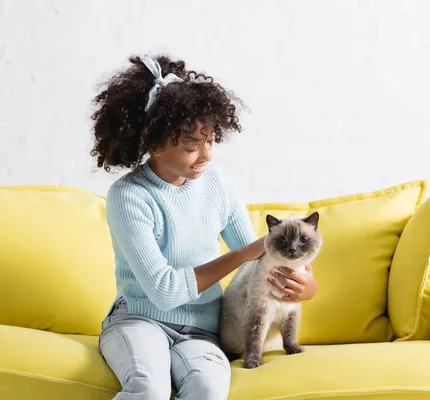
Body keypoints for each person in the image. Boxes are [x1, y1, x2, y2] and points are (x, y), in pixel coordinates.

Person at [90, 54, 318, 400]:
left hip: (201, 331)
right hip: (139, 321)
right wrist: (240, 255)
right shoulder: (129, 196)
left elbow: (263, 259)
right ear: (153, 143)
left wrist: (306, 286)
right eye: (191, 146)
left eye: (210, 140)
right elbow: (164, 290)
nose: (206, 155)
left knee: (208, 391)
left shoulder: (218, 187)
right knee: (149, 389)